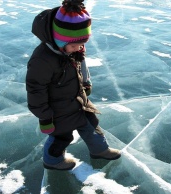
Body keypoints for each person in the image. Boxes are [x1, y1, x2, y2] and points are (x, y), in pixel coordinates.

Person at [26, 0, 121, 171]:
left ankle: (100, 150)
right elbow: (35, 90)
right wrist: (45, 117)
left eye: (81, 44)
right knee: (62, 137)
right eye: (74, 45)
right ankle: (52, 161)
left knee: (92, 125)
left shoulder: (73, 50)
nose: (78, 48)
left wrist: (86, 83)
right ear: (59, 41)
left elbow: (81, 65)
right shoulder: (42, 60)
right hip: (57, 110)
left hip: (78, 100)